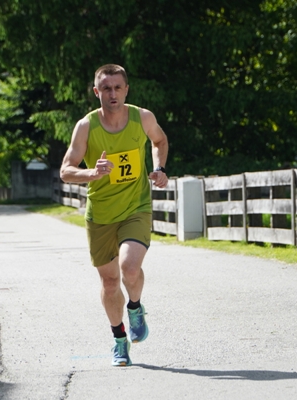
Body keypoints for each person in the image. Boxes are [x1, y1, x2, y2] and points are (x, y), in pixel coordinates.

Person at [60, 64, 169, 367]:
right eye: (106, 88)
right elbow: (66, 170)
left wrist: (159, 168)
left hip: (136, 207)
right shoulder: (86, 126)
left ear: (126, 90)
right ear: (97, 92)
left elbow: (160, 141)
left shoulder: (142, 118)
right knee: (110, 284)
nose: (113, 94)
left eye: (118, 87)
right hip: (101, 215)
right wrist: (91, 173)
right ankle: (119, 339)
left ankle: (135, 307)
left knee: (129, 269)